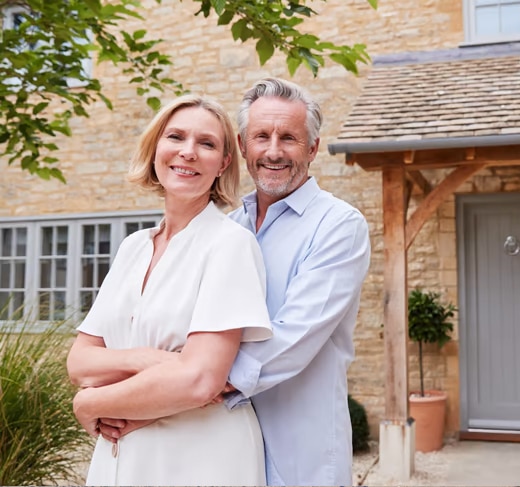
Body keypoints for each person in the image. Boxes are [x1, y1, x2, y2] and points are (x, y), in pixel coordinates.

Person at [66, 94, 272, 486]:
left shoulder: (229, 244)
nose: (188, 152)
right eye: (175, 137)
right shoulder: (133, 247)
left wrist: (90, 401)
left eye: (207, 143)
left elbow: (199, 381)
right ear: (156, 148)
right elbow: (80, 362)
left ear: (224, 162)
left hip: (202, 455)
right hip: (120, 452)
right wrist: (149, 360)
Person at [223, 77, 371, 486]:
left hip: (299, 449)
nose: (273, 151)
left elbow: (292, 338)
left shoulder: (338, 225)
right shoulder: (228, 229)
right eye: (261, 136)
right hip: (223, 440)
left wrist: (196, 383)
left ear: (313, 148)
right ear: (242, 145)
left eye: (288, 137)